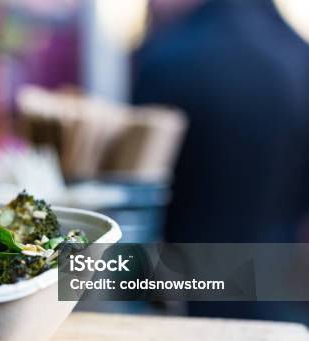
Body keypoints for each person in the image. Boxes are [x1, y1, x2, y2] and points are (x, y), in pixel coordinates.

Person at [132, 0, 309, 323]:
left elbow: (141, 195)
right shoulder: (300, 55)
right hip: (283, 306)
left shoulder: (167, 56)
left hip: (188, 305)